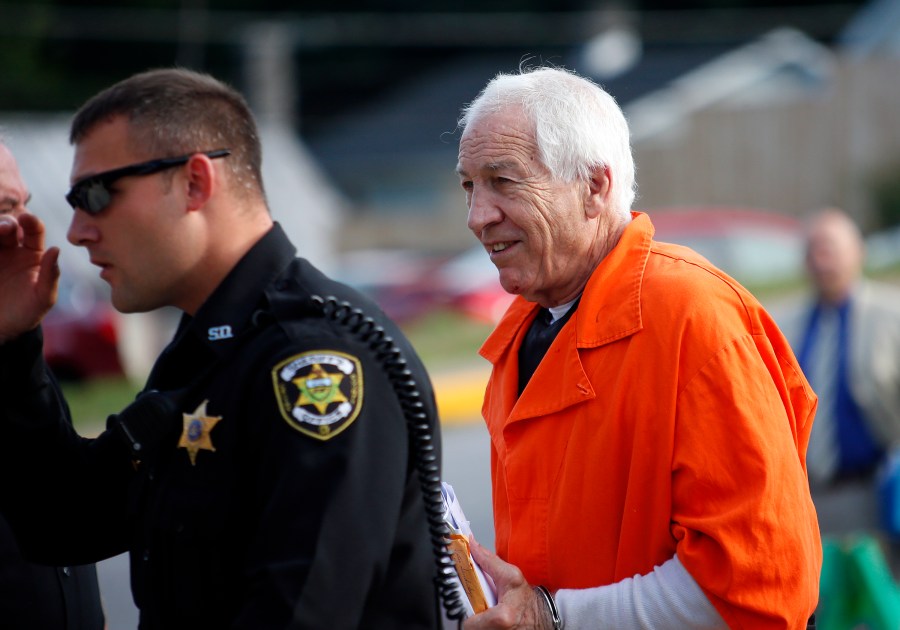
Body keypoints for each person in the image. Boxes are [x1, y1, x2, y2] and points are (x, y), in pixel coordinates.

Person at [0, 68, 442, 629]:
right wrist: (13, 343)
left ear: (195, 183)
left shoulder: (314, 358)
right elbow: (64, 520)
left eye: (96, 195)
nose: (78, 230)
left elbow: (301, 612)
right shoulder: (208, 348)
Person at [454, 66, 821, 628]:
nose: (478, 216)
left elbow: (756, 586)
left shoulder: (692, 316)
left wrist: (554, 618)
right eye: (469, 186)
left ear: (594, 188)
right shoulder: (524, 331)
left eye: (503, 182)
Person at [0, 139, 106, 630]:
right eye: (2, 211)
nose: (23, 230)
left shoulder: (15, 354)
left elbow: (63, 516)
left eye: (23, 206)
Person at [783, 208, 900, 564]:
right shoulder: (787, 326)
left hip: (874, 494)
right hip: (807, 499)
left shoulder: (891, 318)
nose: (821, 261)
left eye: (831, 248)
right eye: (813, 251)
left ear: (858, 252)